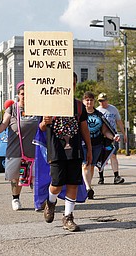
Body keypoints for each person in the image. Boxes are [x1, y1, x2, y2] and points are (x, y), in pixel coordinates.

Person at [39, 72, 92, 232]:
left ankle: (68, 217)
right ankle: (50, 202)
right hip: (56, 151)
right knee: (56, 184)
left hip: (74, 150)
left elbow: (84, 128)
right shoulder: (49, 104)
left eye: (74, 83)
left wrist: (88, 149)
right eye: (68, 83)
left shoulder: (78, 106)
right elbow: (41, 127)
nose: (71, 86)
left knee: (73, 184)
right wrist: (44, 122)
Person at [0, 81, 39, 211]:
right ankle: (15, 198)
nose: (25, 97)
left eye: (27, 94)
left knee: (35, 176)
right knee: (15, 176)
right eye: (22, 94)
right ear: (18, 95)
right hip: (16, 149)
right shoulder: (12, 108)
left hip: (34, 149)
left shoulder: (37, 108)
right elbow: (4, 122)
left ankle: (38, 200)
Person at [82, 91, 120, 199]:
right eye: (87, 100)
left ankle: (88, 186)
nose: (89, 102)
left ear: (94, 102)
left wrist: (113, 137)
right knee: (85, 165)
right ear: (83, 101)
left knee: (92, 165)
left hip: (97, 143)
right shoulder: (80, 114)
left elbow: (105, 131)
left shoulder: (99, 115)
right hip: (83, 143)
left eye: (91, 100)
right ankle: (88, 188)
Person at [96, 92, 126, 184]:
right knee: (101, 156)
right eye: (100, 101)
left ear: (107, 100)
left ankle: (116, 176)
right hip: (101, 136)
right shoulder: (97, 111)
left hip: (112, 135)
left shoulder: (113, 109)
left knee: (113, 155)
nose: (102, 103)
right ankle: (101, 177)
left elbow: (119, 121)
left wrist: (124, 133)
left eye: (104, 100)